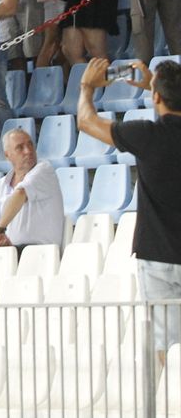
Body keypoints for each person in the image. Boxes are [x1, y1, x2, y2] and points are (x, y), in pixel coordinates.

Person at [78, 57, 181, 369]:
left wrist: (86, 87)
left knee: (166, 345)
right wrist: (155, 87)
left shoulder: (147, 134)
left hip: (157, 255)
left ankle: (170, 394)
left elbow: (86, 121)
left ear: (156, 97)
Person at [0, 129, 65, 252]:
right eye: (20, 148)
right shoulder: (1, 185)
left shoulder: (44, 169)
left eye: (30, 144)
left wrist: (0, 230)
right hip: (13, 252)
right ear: (7, 155)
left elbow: (20, 194)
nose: (28, 151)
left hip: (41, 252)